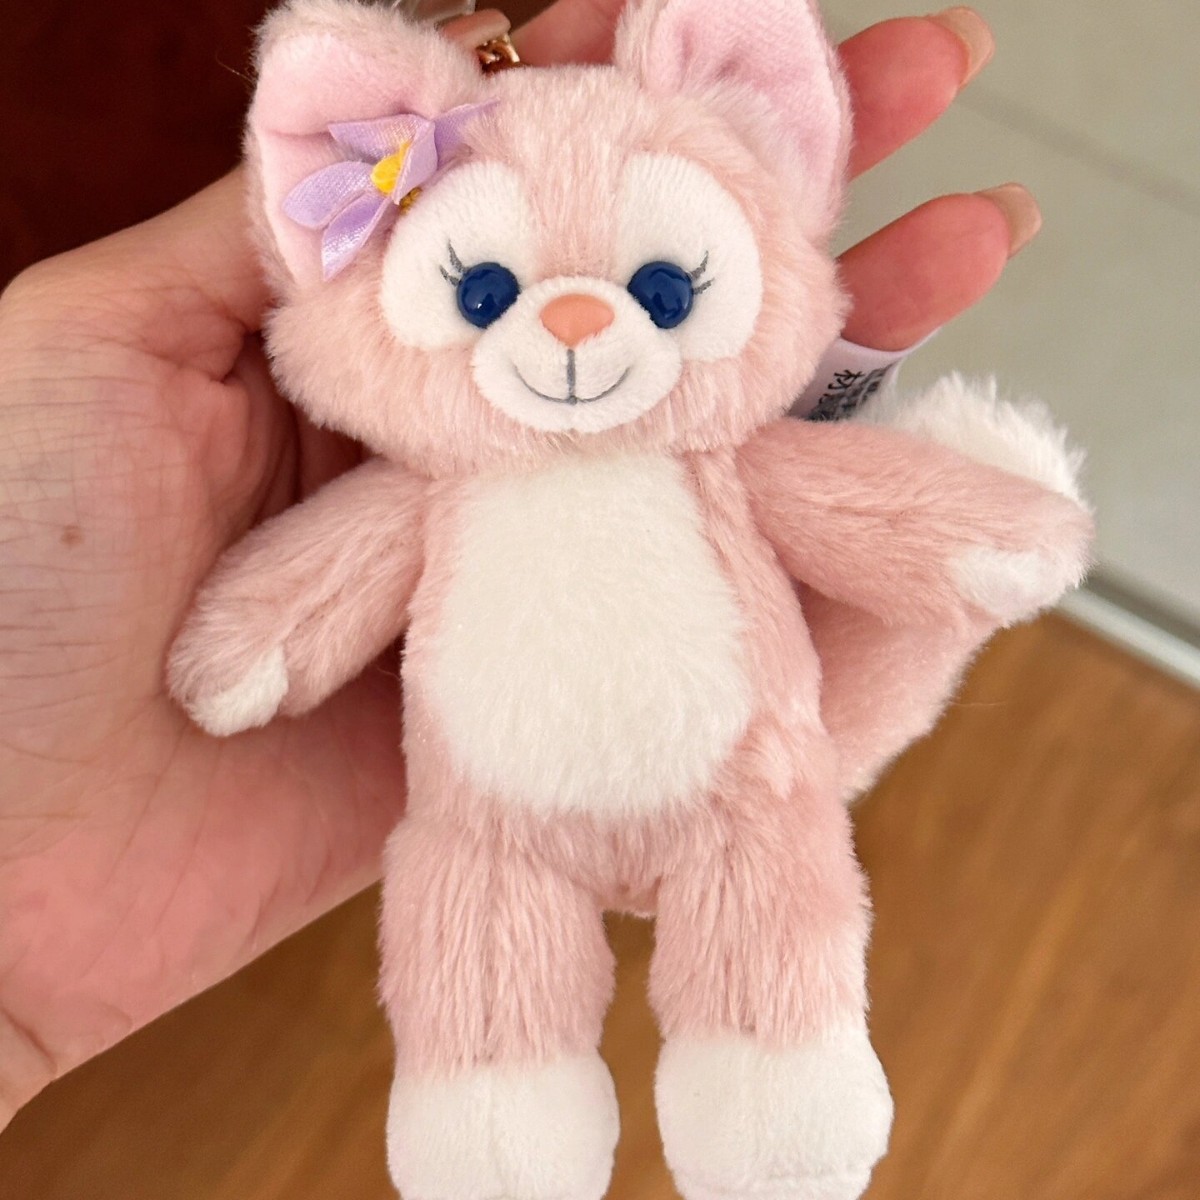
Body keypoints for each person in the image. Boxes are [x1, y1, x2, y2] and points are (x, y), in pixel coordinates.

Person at [0, 0, 1040, 1126]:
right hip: (489, 811)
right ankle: (490, 1107)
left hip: (742, 784)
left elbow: (859, 508)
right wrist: (257, 644)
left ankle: (779, 1078)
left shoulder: (733, 469)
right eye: (486, 296)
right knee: (480, 932)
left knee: (768, 886)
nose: (579, 327)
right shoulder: (433, 497)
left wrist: (978, 530)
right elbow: (326, 581)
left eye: (662, 293)